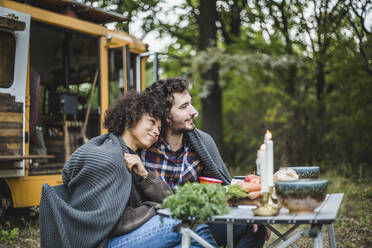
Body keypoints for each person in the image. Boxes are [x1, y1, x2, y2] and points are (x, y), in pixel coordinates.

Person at [39, 90, 217, 248]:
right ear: (130, 119)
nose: (156, 131)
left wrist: (145, 176)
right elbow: (107, 221)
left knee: (187, 243)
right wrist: (154, 207)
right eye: (151, 122)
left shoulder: (132, 157)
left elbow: (169, 199)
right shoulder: (109, 157)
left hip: (124, 236)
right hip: (103, 241)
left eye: (159, 128)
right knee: (191, 225)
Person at [140, 78, 270, 248]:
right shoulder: (143, 146)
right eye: (184, 107)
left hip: (199, 219)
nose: (194, 111)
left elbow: (224, 186)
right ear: (164, 116)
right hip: (158, 226)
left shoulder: (203, 143)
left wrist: (248, 210)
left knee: (253, 228)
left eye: (190, 104)